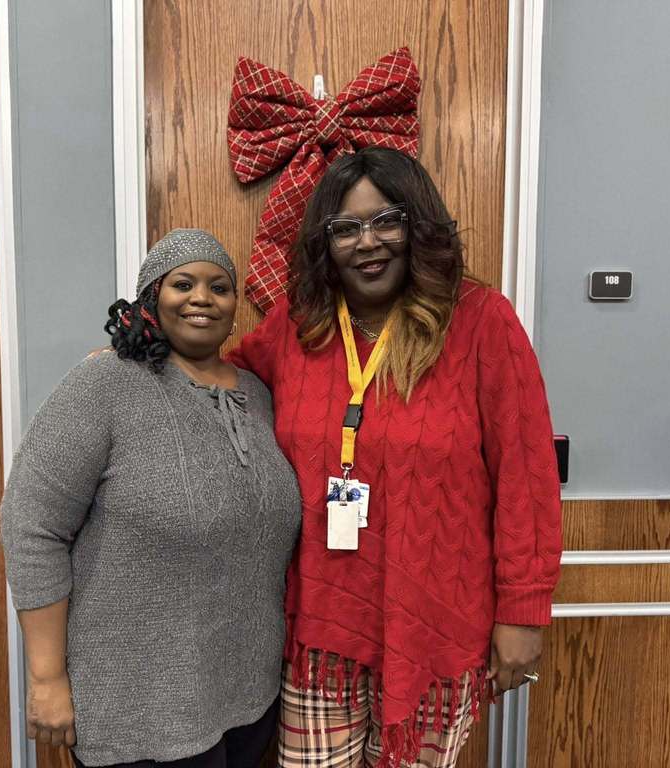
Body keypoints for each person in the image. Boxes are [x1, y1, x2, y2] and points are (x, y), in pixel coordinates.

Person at [229, 147, 563, 768]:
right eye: (346, 228)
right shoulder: (298, 326)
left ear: (418, 225)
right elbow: (219, 379)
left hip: (437, 622)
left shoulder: (481, 322)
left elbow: (528, 474)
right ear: (324, 243)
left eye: (386, 220)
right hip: (320, 630)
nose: (367, 242)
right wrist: (137, 360)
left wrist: (524, 612)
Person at [0, 229, 301, 768]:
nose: (202, 297)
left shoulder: (256, 395)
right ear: (149, 298)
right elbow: (32, 524)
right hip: (137, 712)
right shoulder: (105, 384)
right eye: (182, 283)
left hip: (246, 701)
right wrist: (46, 678)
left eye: (220, 286)